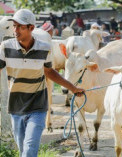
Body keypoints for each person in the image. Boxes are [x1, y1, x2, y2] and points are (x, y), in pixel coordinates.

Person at [0, 9, 85, 157]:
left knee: (29, 150)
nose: (15, 30)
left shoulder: (44, 48)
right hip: (16, 106)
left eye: (20, 26)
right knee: (22, 150)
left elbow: (50, 72)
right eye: (14, 26)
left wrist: (73, 88)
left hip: (37, 107)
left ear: (31, 28)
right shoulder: (5, 47)